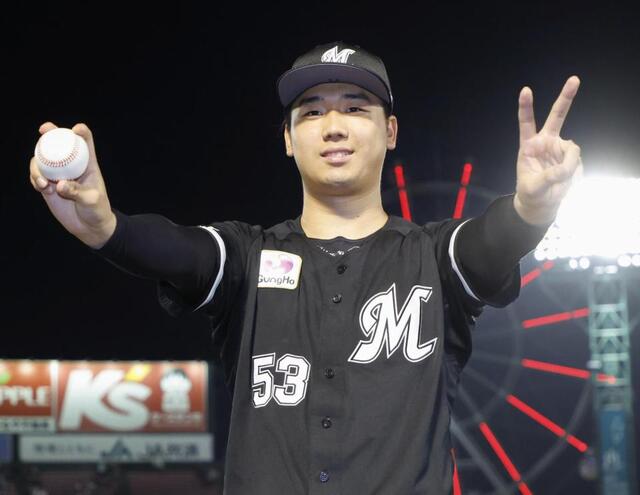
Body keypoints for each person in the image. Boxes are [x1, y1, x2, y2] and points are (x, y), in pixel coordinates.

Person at [29, 41, 582, 494]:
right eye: (311, 112)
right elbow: (179, 250)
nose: (332, 126)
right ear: (288, 140)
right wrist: (107, 228)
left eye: (355, 108)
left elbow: (489, 245)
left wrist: (530, 210)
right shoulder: (247, 257)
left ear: (390, 131)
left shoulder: (434, 258)